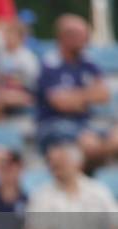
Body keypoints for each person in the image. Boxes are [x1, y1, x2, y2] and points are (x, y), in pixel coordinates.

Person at [36, 14, 118, 165]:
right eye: (81, 35)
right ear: (64, 37)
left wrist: (75, 97)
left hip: (85, 123)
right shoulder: (50, 63)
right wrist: (88, 95)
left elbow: (104, 94)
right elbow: (61, 103)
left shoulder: (87, 62)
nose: (85, 40)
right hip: (54, 125)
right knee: (89, 144)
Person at [0, 19, 39, 119]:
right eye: (6, 34)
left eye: (11, 35)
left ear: (21, 38)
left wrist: (11, 83)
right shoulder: (0, 55)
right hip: (1, 90)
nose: (7, 38)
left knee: (1, 99)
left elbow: (31, 83)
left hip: (24, 93)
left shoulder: (27, 57)